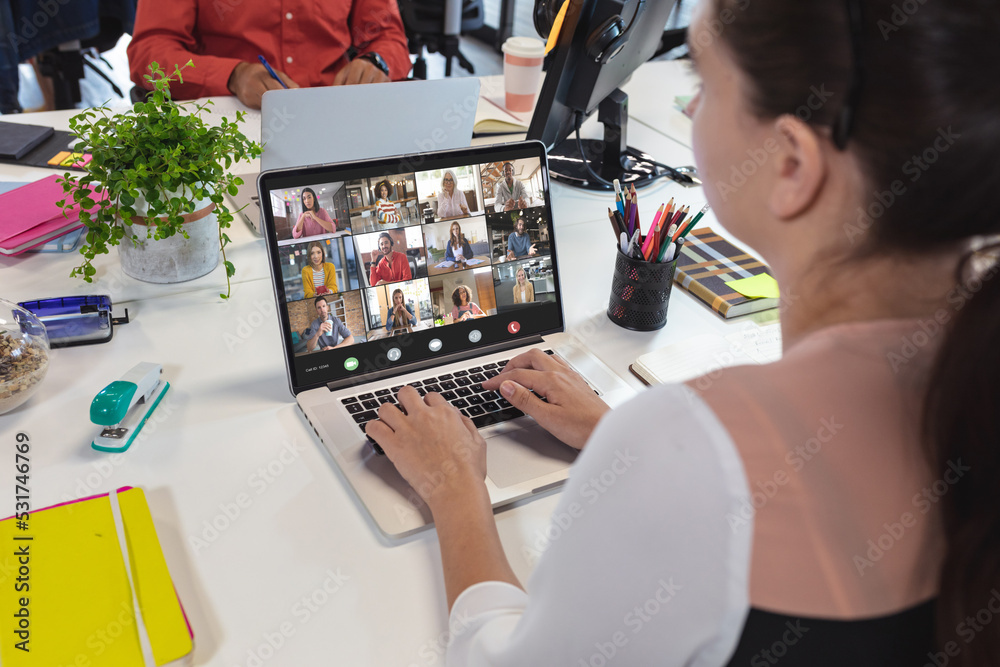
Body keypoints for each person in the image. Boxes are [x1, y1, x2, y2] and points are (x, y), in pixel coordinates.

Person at [366, 0, 1000, 664]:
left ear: (791, 164)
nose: (691, 113)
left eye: (703, 83)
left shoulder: (687, 453)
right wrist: (620, 433)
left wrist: (454, 487)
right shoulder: (973, 368)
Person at [126, 0, 410, 109]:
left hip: (333, 113)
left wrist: (376, 62)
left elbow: (388, 36)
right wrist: (232, 75)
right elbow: (149, 53)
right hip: (230, 122)